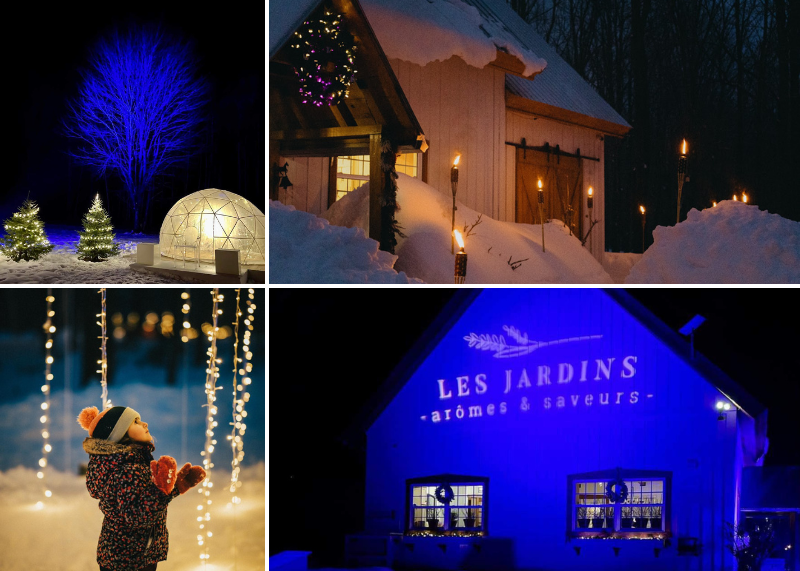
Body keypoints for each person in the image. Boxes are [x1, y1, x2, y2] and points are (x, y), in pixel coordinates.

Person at [78, 405, 206, 571]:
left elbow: (143, 499)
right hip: (128, 560)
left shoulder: (133, 462)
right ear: (119, 433)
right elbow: (137, 516)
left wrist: (176, 487)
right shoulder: (127, 470)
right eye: (135, 422)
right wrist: (161, 491)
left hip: (132, 555)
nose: (145, 424)